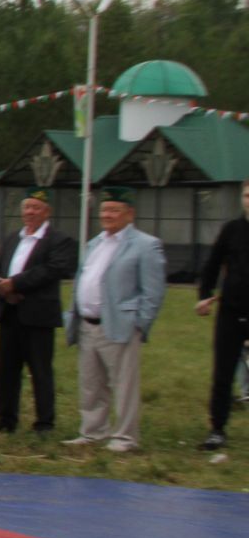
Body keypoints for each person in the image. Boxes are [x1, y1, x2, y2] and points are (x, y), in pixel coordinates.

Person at [65, 188, 166, 453]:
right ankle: (93, 431)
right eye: (104, 210)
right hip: (88, 324)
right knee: (91, 383)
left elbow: (153, 291)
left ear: (129, 214)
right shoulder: (94, 243)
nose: (107, 215)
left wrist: (139, 323)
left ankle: (125, 437)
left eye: (114, 210)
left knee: (123, 384)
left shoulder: (145, 245)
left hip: (120, 326)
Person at [0, 187, 74, 436]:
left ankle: (44, 422)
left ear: (46, 212)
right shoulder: (11, 238)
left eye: (35, 208)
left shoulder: (59, 241)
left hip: (38, 316)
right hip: (9, 311)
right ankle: (6, 419)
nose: (30, 212)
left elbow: (51, 270)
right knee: (6, 369)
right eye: (27, 207)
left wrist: (16, 283)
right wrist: (0, 287)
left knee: (40, 369)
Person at [197, 180, 249, 450]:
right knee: (223, 372)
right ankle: (217, 429)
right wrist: (204, 295)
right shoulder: (232, 230)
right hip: (230, 311)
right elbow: (213, 264)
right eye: (247, 195)